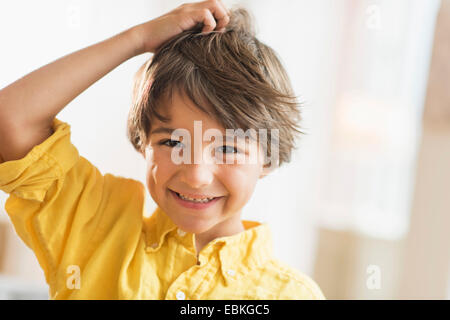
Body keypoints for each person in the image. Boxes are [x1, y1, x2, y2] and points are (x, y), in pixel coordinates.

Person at [0, 0, 325, 300]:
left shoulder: (291, 295)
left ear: (267, 156)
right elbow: (12, 119)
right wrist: (137, 39)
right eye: (172, 143)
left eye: (227, 148)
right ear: (144, 143)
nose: (196, 176)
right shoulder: (96, 229)